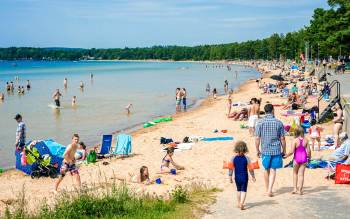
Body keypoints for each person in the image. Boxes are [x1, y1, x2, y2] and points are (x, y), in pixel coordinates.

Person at [255, 104, 286, 197]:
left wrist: (257, 150)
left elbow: (257, 138)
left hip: (265, 149)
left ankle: (267, 189)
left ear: (265, 111)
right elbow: (282, 138)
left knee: (266, 169)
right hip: (276, 150)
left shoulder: (260, 122)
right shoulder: (279, 122)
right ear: (272, 110)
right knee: (273, 170)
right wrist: (284, 150)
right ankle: (270, 190)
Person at [228, 141, 256, 210]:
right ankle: (241, 203)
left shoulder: (233, 158)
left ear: (236, 149)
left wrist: (230, 177)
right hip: (244, 177)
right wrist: (253, 176)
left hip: (237, 177)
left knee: (238, 190)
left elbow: (230, 168)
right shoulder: (247, 158)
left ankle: (238, 203)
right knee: (244, 190)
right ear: (245, 149)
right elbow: (251, 169)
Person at [284, 126, 311, 195]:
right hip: (304, 158)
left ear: (295, 132)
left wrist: (286, 156)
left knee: (295, 173)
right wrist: (309, 158)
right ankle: (300, 190)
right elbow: (308, 151)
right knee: (301, 175)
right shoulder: (306, 140)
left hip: (296, 159)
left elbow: (292, 151)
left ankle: (295, 189)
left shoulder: (295, 140)